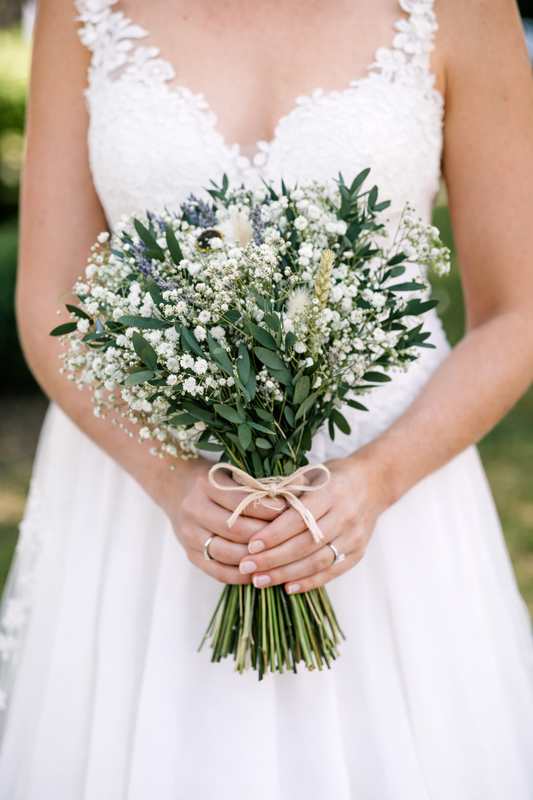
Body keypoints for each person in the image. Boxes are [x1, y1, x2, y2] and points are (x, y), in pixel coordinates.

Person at [1, 0, 533, 797]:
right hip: (140, 505)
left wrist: (376, 479)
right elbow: (50, 300)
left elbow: (518, 311)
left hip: (389, 511)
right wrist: (172, 479)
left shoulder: (462, 8)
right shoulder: (84, 9)